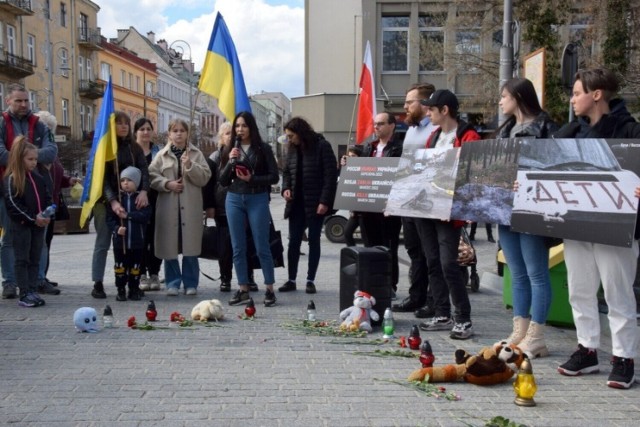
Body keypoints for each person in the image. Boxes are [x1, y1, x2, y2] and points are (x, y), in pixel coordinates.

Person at [553, 68, 639, 389]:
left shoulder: (630, 131)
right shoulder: (570, 133)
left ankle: (623, 358)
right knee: (580, 290)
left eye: (577, 93)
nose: (573, 99)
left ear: (597, 94)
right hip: (576, 223)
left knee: (618, 293)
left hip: (616, 226)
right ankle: (587, 349)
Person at [493, 77, 559, 358]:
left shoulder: (546, 127)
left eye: (504, 96)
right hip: (506, 209)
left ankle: (537, 334)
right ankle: (519, 330)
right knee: (517, 273)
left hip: (533, 209)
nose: (500, 101)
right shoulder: (504, 129)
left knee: (536, 273)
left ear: (518, 97)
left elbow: (555, 167)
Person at [416, 89, 480, 340]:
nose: (428, 112)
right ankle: (443, 313)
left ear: (445, 110)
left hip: (449, 213)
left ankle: (463, 318)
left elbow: (468, 176)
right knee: (432, 261)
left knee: (448, 264)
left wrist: (452, 205)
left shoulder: (468, 136)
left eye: (431, 109)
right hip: (427, 210)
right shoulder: (433, 137)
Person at [0, 84, 58, 300]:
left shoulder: (39, 124)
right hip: (9, 189)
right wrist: (24, 158)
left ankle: (38, 280)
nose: (24, 104)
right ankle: (10, 281)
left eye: (26, 100)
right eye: (18, 101)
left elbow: (51, 152)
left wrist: (27, 155)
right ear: (8, 101)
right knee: (9, 238)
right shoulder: (1, 123)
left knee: (38, 239)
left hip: (35, 187)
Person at [219, 111, 279, 307]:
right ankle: (243, 288)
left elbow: (274, 177)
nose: (240, 129)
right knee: (238, 247)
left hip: (257, 198)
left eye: (244, 126)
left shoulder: (263, 149)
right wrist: (230, 161)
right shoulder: (230, 149)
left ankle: (269, 289)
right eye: (237, 126)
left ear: (251, 127)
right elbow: (222, 180)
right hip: (234, 198)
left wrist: (252, 179)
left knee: (262, 245)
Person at [91, 112, 150, 299]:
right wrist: (113, 200)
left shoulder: (135, 148)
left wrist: (144, 191)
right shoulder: (106, 148)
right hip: (106, 201)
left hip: (131, 200)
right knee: (103, 241)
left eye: (126, 123)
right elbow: (103, 179)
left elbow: (144, 171)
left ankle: (133, 285)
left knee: (132, 244)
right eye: (119, 123)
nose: (123, 126)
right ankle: (97, 282)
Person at [149, 119, 211, 296]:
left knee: (190, 246)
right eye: (175, 130)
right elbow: (152, 176)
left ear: (187, 134)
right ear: (169, 134)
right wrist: (167, 184)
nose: (178, 133)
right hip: (169, 208)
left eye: (182, 130)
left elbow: (205, 177)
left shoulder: (196, 154)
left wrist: (190, 166)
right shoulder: (161, 155)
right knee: (170, 247)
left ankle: (191, 283)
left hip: (190, 208)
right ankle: (172, 283)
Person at [392, 83, 437, 318]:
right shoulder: (411, 130)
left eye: (410, 102)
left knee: (430, 253)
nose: (405, 107)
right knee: (413, 251)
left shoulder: (435, 129)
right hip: (408, 199)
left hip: (427, 200)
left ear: (425, 103)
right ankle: (416, 296)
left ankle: (433, 300)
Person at [279, 117, 337, 294]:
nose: (289, 139)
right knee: (293, 242)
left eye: (291, 136)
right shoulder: (291, 149)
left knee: (314, 241)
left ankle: (310, 280)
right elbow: (287, 173)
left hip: (315, 203)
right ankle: (291, 279)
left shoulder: (322, 146)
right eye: (287, 136)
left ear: (300, 133)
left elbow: (330, 176)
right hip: (296, 204)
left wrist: (324, 201)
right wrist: (285, 189)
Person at [206, 122, 260, 293]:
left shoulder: (246, 154)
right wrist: (209, 206)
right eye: (227, 133)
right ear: (221, 137)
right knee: (225, 246)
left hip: (245, 205)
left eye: (233, 133)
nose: (232, 136)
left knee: (246, 244)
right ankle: (225, 278)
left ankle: (248, 277)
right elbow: (208, 185)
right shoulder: (215, 157)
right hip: (222, 207)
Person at [34, 111, 80, 295]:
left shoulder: (52, 151)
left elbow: (56, 174)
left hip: (51, 203)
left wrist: (68, 180)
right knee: (40, 243)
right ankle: (36, 278)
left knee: (47, 241)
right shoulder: (35, 153)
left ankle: (42, 276)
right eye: (46, 128)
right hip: (39, 204)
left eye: (50, 129)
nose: (49, 133)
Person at [3, 136, 52, 307]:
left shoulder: (38, 178)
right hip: (22, 226)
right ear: (19, 158)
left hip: (38, 226)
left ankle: (32, 290)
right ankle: (24, 293)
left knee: (35, 259)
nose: (33, 162)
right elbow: (13, 204)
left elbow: (47, 197)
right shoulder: (12, 179)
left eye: (35, 159)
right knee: (22, 259)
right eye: (30, 159)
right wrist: (33, 218)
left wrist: (47, 214)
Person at [358, 112, 403, 296]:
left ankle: (390, 285)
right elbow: (362, 174)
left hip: (388, 209)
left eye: (381, 124)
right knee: (370, 247)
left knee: (388, 248)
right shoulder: (369, 147)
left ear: (392, 125)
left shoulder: (399, 148)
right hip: (368, 208)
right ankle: (372, 284)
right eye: (375, 124)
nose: (376, 127)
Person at [106, 166, 152, 301]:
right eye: (123, 180)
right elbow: (109, 219)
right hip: (121, 243)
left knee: (135, 268)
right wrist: (116, 229)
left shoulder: (141, 199)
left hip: (137, 241)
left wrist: (128, 216)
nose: (125, 183)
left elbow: (145, 216)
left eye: (129, 180)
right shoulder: (117, 200)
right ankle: (120, 289)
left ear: (136, 183)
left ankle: (134, 288)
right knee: (120, 267)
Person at [133, 118, 162, 292]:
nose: (145, 132)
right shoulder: (131, 151)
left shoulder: (158, 151)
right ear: (136, 131)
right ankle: (141, 272)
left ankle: (155, 273)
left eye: (148, 129)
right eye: (141, 129)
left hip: (157, 199)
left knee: (156, 238)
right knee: (140, 239)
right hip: (135, 201)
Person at [340, 145, 363, 247]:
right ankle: (354, 254)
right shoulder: (349, 170)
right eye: (349, 156)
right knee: (347, 232)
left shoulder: (363, 169)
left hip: (365, 211)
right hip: (355, 211)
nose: (350, 158)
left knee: (367, 238)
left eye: (353, 156)